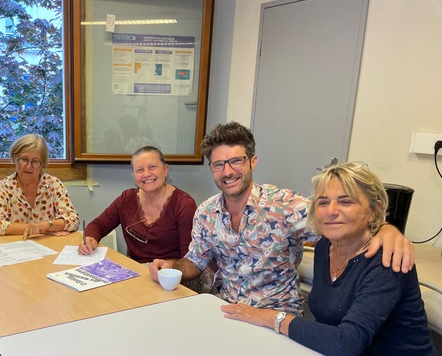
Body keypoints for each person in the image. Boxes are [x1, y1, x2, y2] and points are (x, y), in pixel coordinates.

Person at [223, 162, 438, 356]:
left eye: (346, 202)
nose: (331, 211)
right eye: (323, 202)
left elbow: (345, 343)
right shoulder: (326, 246)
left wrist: (271, 317)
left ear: (374, 210)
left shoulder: (387, 260)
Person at [149, 121, 413, 316]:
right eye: (219, 164)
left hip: (278, 320)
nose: (228, 172)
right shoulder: (207, 212)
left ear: (253, 161)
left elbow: (343, 223)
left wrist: (386, 229)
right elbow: (194, 263)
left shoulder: (285, 206)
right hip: (227, 312)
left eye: (236, 161)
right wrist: (171, 265)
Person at [78, 146, 197, 265]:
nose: (146, 174)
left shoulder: (184, 205)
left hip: (170, 271)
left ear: (165, 170)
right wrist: (90, 239)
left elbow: (189, 260)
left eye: (152, 167)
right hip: (135, 270)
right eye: (140, 170)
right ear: (134, 175)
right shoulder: (126, 199)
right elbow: (98, 225)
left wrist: (169, 266)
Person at [0, 134, 80, 239]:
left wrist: (45, 226)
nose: (28, 167)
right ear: (15, 159)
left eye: (35, 162)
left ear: (43, 164)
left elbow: (73, 220)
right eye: (24, 159)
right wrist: (37, 229)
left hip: (48, 244)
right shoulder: (2, 187)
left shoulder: (53, 184)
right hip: (15, 245)